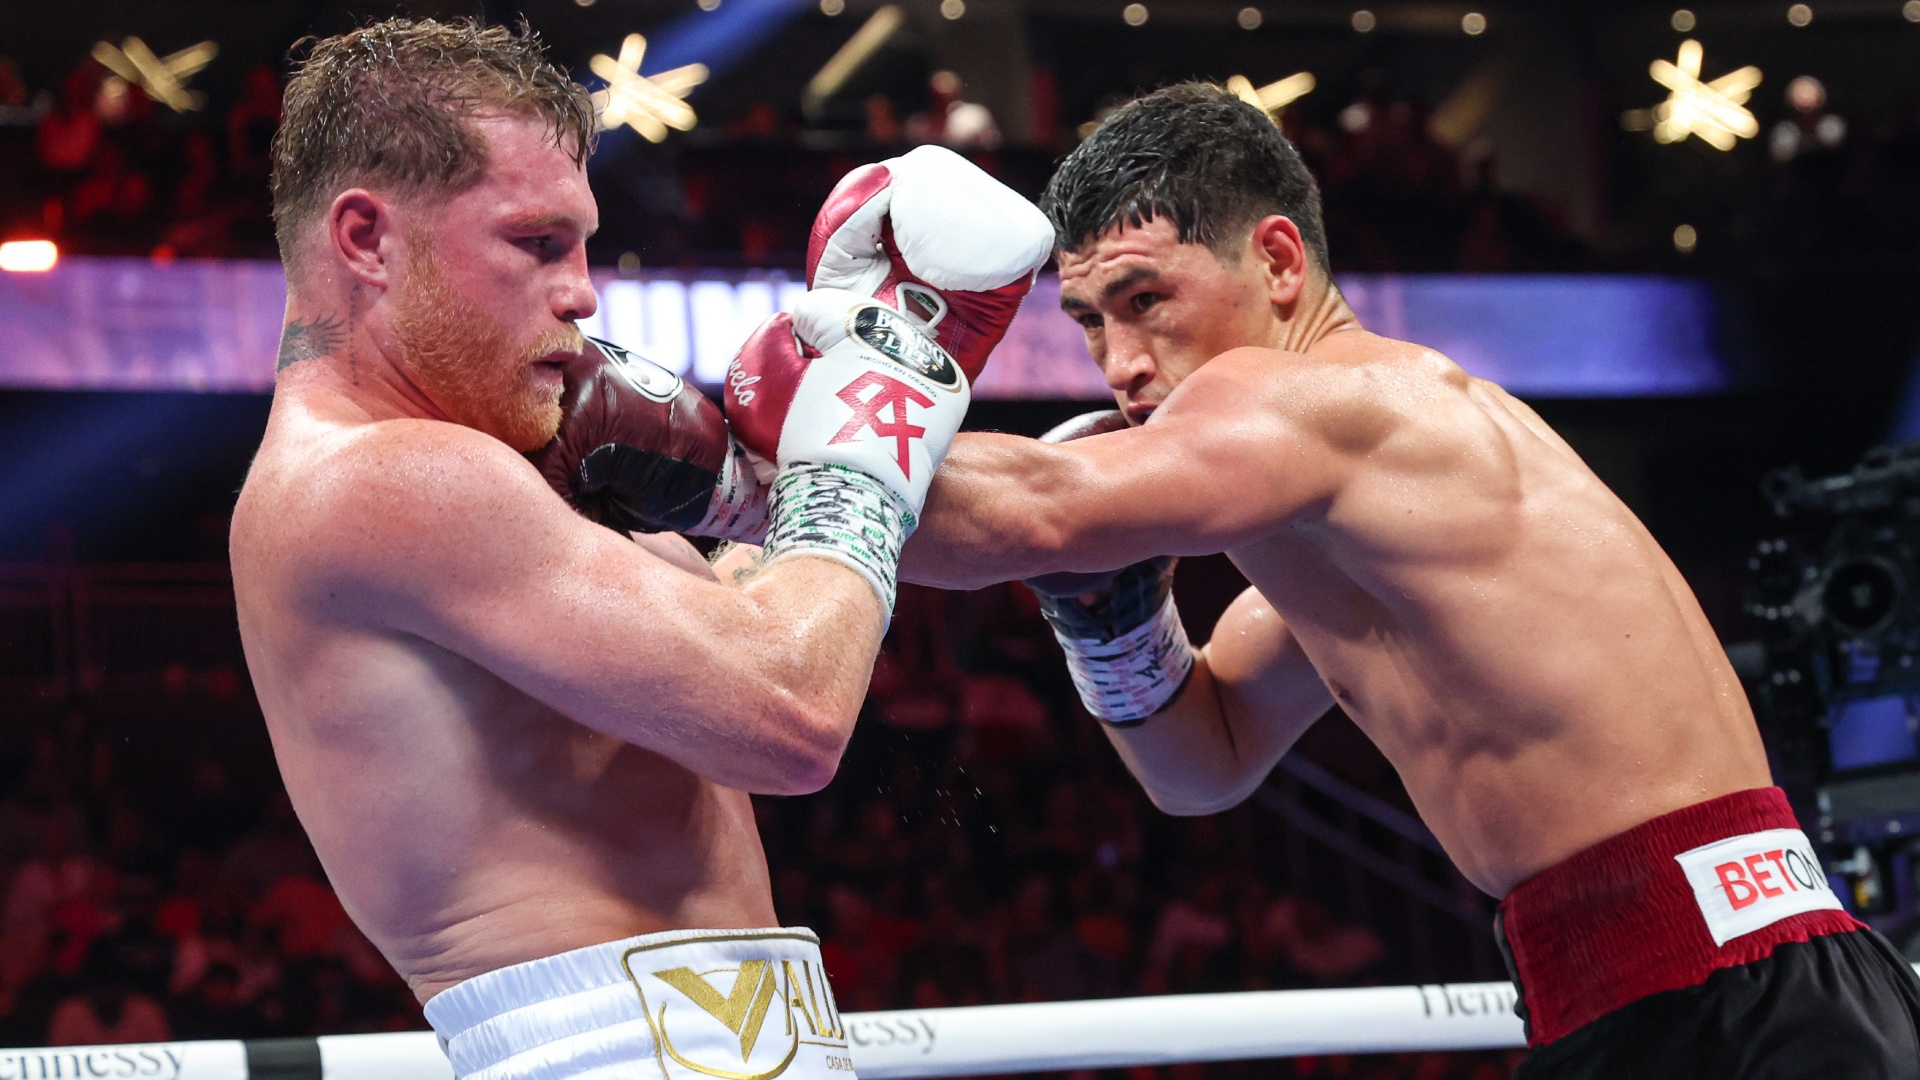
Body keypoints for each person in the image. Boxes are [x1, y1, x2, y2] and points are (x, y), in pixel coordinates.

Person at [887, 83, 1920, 1077]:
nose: (1120, 365)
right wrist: (1109, 624)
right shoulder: (1364, 529)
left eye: (1146, 300)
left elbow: (1034, 505)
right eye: (1090, 321)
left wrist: (811, 427)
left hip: (1725, 1000)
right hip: (1712, 990)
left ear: (1278, 261)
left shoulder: (1345, 401)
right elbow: (1202, 766)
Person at [230, 17, 1047, 1080]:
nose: (583, 291)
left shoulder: (480, 471)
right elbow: (791, 714)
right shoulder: (381, 477)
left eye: (580, 243)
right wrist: (858, 448)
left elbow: (757, 627)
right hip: (617, 1049)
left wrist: (833, 410)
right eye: (536, 243)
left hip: (712, 1039)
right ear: (365, 239)